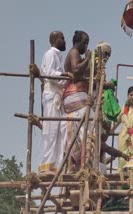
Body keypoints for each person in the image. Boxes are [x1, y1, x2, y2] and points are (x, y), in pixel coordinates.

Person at [35, 31, 72, 175]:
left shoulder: (57, 55)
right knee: (50, 130)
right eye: (63, 38)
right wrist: (65, 75)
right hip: (52, 95)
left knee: (61, 129)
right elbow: (50, 74)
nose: (64, 41)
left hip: (58, 95)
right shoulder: (50, 54)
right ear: (56, 39)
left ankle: (55, 165)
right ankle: (46, 165)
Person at [62, 30, 93, 172]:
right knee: (87, 129)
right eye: (84, 42)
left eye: (87, 44)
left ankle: (76, 165)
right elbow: (75, 71)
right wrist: (87, 59)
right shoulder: (74, 52)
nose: (86, 46)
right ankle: (84, 165)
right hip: (77, 97)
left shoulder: (76, 54)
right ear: (77, 42)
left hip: (74, 98)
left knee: (78, 134)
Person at [111, 86, 133, 171]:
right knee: (122, 156)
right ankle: (121, 176)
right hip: (123, 136)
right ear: (127, 96)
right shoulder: (123, 107)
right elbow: (118, 120)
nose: (132, 97)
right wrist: (111, 130)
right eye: (131, 95)